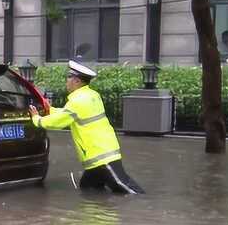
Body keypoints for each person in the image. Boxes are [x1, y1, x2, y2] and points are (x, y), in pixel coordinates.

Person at [28, 60, 145, 194]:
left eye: (69, 77)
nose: (67, 81)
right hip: (103, 153)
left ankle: (148, 211)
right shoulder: (92, 95)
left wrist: (37, 119)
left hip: (101, 157)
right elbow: (73, 115)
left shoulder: (77, 101)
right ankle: (98, 213)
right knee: (88, 189)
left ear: (77, 81)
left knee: (127, 190)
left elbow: (58, 122)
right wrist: (51, 110)